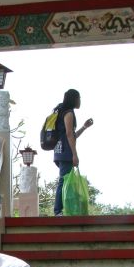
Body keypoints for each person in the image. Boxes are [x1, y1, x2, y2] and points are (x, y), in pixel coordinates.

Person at [53, 88, 93, 216]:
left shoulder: (62, 111)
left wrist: (84, 127)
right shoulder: (68, 113)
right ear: (74, 99)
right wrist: (74, 154)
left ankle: (65, 209)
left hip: (60, 150)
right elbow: (70, 134)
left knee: (66, 180)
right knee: (64, 180)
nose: (80, 101)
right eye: (79, 98)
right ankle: (58, 210)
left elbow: (72, 135)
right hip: (66, 151)